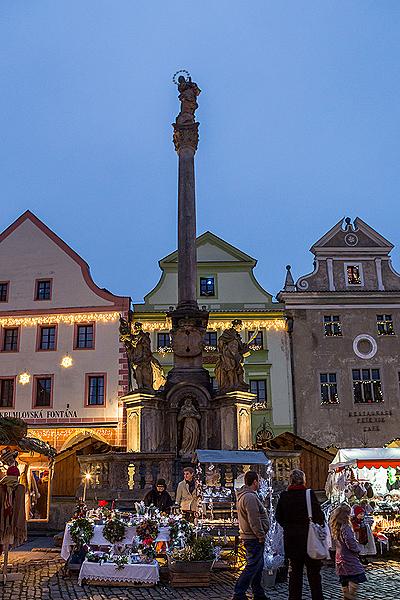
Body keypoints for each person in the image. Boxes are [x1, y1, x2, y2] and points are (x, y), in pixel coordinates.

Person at [275, 469, 325, 600]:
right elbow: (319, 516)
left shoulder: (284, 496)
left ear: (290, 480)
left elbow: (278, 517)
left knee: (295, 574)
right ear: (303, 480)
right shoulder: (309, 494)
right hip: (310, 540)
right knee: (314, 574)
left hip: (292, 541)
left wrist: (289, 526)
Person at [233, 471, 270, 600]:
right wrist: (260, 535)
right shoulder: (249, 497)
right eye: (258, 481)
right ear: (255, 482)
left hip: (251, 536)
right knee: (252, 566)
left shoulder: (248, 496)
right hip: (253, 537)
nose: (259, 484)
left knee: (257, 567)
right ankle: (239, 592)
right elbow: (254, 520)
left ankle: (258, 593)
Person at [330, 503, 367, 599]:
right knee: (354, 580)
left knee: (345, 581)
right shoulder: (346, 527)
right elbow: (350, 542)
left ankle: (346, 596)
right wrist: (357, 550)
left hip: (340, 557)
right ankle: (349, 597)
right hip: (348, 557)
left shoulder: (336, 526)